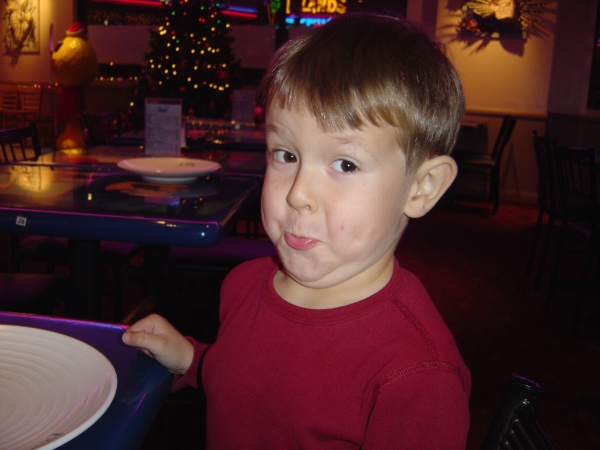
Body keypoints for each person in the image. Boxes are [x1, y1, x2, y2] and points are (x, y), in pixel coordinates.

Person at [123, 12, 470, 449]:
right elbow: (252, 390)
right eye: (286, 155)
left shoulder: (418, 374)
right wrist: (191, 360)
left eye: (345, 164)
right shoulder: (243, 286)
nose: (298, 193)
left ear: (421, 188)